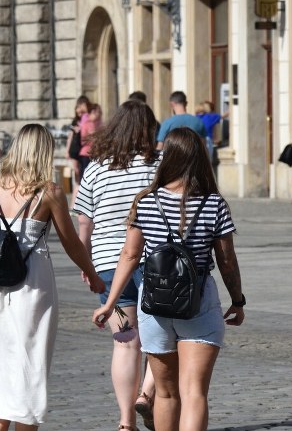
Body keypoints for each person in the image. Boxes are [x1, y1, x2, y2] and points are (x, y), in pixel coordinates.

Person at [92, 127, 246, 431]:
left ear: (168, 158)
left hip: (154, 304)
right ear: (200, 158)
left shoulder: (146, 200)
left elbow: (129, 255)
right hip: (198, 301)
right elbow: (227, 262)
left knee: (164, 392)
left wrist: (110, 303)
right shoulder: (214, 204)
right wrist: (237, 301)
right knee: (194, 392)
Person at [0, 124, 105, 431]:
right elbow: (71, 241)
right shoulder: (49, 191)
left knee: (1, 361)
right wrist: (92, 274)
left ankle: (0, 425)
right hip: (32, 282)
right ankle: (25, 425)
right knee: (31, 361)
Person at [74, 101, 161, 431]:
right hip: (157, 263)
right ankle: (147, 393)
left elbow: (85, 223)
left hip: (109, 263)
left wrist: (87, 264)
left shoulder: (95, 168)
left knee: (126, 343)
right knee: (163, 337)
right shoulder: (160, 164)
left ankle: (126, 422)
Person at [195, 100, 225, 165]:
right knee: (208, 163)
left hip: (196, 141)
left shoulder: (194, 118)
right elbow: (222, 116)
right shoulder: (210, 117)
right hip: (207, 140)